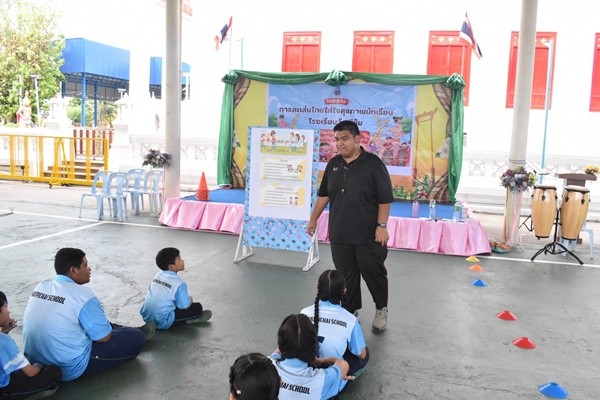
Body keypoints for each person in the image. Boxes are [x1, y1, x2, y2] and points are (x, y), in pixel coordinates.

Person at [307, 120, 394, 331]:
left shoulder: (373, 164)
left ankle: (381, 308)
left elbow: (384, 198)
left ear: (357, 139)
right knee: (346, 276)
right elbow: (324, 195)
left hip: (368, 234)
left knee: (373, 272)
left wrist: (381, 226)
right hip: (340, 232)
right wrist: (313, 219)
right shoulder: (333, 165)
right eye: (336, 139)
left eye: (344, 139)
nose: (339, 143)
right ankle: (351, 309)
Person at [22, 248, 155, 382]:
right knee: (136, 337)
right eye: (85, 265)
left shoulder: (42, 286)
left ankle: (129, 330)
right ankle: (136, 332)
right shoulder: (82, 295)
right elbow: (104, 338)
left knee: (91, 321)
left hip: (35, 361)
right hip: (70, 366)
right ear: (73, 270)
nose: (89, 269)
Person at [301, 270, 369, 378]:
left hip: (307, 366)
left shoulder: (304, 313)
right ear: (344, 290)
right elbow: (362, 354)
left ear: (318, 288)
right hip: (333, 372)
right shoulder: (350, 320)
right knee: (364, 352)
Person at [270, 314, 352, 400]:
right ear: (313, 345)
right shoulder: (320, 379)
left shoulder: (269, 365)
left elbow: (278, 351)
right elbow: (344, 365)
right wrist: (320, 361)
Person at [1, 291, 62, 399]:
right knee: (54, 372)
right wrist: (39, 365)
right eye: (5, 307)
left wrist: (5, 331)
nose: (9, 311)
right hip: (4, 391)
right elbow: (31, 372)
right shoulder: (3, 341)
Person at [140, 247, 212, 329]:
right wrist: (190, 299)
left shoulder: (158, 275)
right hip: (162, 321)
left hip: (147, 318)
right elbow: (185, 306)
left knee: (173, 300)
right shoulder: (179, 283)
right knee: (197, 307)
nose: (182, 261)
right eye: (179, 259)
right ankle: (189, 319)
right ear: (171, 266)